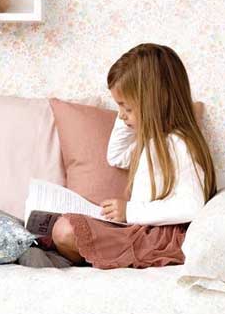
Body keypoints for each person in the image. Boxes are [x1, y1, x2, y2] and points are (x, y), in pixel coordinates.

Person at [50, 43, 216, 269]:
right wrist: (128, 114)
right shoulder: (152, 141)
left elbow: (192, 206)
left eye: (127, 108)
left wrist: (129, 211)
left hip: (157, 236)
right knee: (61, 229)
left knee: (65, 231)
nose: (121, 116)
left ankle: (90, 256)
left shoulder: (179, 144)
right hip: (139, 227)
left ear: (154, 102)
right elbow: (116, 156)